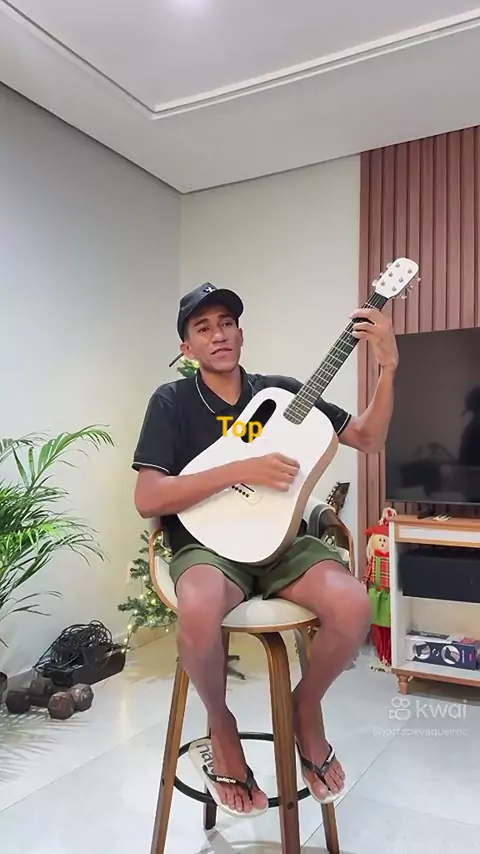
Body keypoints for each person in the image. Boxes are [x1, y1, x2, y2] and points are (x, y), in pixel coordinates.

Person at [132, 282, 399, 816]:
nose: (218, 335)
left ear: (240, 332)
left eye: (226, 323)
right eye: (203, 328)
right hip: (207, 545)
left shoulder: (280, 395)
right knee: (199, 608)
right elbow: (148, 498)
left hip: (281, 543)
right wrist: (243, 468)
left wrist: (388, 365)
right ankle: (221, 724)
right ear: (187, 347)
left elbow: (368, 439)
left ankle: (305, 707)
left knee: (352, 603)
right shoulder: (172, 401)